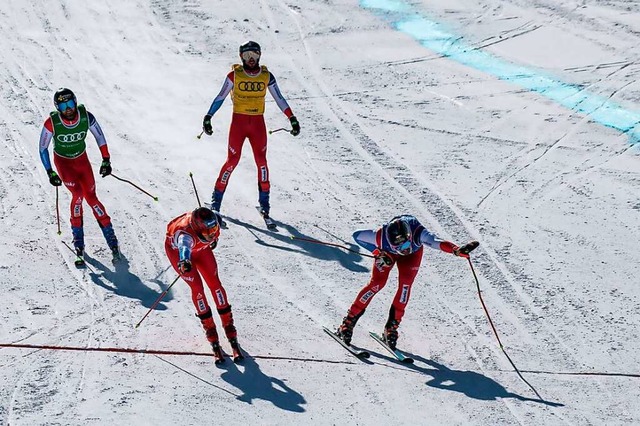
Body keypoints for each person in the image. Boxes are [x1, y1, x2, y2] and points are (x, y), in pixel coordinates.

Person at [336, 215, 478, 350]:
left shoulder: (419, 233)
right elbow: (357, 236)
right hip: (387, 254)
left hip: (412, 256)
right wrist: (378, 253)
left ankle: (391, 328)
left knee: (405, 286)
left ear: (410, 237)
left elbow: (436, 241)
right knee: (377, 284)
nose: (401, 251)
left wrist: (456, 250)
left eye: (404, 247)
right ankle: (348, 323)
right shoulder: (379, 236)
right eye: (397, 248)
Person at [201, 40, 300, 219]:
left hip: (257, 124)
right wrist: (208, 117)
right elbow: (220, 97)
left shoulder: (266, 76)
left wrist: (291, 118)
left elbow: (279, 98)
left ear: (259, 55)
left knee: (262, 162)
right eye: (247, 56)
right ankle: (216, 201)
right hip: (238, 123)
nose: (251, 59)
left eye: (254, 55)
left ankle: (265, 204)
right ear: (241, 57)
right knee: (232, 161)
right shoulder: (234, 76)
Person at [39, 88, 120, 262]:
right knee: (77, 195)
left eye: (70, 104)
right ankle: (78, 240)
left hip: (82, 161)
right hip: (64, 163)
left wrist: (106, 159)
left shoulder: (86, 117)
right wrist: (49, 171)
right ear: (57, 108)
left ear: (75, 102)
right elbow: (42, 148)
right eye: (63, 106)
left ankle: (111, 239)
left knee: (92, 198)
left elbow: (100, 137)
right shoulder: (51, 123)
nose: (68, 109)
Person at [165, 207, 239, 361]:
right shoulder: (184, 236)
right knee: (197, 287)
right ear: (198, 230)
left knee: (215, 284)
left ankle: (228, 326)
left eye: (214, 230)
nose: (212, 234)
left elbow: (214, 226)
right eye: (208, 233)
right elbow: (184, 247)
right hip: (179, 254)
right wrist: (184, 260)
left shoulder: (213, 222)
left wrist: (212, 237)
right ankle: (210, 329)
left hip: (200, 249)